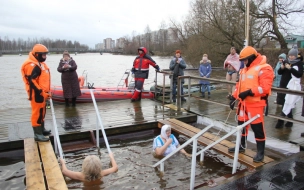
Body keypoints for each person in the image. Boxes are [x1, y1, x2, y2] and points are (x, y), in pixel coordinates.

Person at [228, 46, 274, 163]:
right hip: (243, 104)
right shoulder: (244, 70)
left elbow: (264, 88)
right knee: (241, 125)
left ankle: (260, 152)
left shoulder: (265, 69)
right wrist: (234, 97)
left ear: (251, 58)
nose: (244, 62)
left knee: (257, 128)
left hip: (256, 104)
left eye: (245, 60)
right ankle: (241, 146)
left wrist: (249, 92)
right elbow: (239, 86)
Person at [21, 44, 51, 142]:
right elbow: (32, 81)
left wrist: (47, 92)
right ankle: (37, 134)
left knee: (43, 112)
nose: (45, 57)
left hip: (42, 93)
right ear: (37, 54)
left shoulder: (39, 64)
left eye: (45, 55)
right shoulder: (31, 65)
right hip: (36, 93)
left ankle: (42, 130)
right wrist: (41, 92)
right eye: (43, 55)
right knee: (37, 113)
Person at [275, 46, 303, 128]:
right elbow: (280, 72)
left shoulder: (299, 63)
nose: (291, 57)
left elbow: (299, 74)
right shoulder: (286, 61)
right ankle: (290, 120)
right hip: (283, 84)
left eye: (292, 55)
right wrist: (282, 68)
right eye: (290, 55)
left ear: (296, 56)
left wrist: (290, 68)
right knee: (285, 102)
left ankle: (280, 121)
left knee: (288, 102)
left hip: (292, 86)